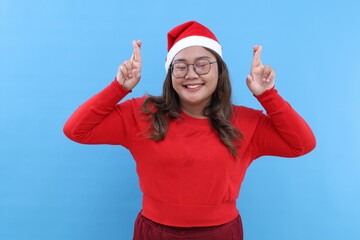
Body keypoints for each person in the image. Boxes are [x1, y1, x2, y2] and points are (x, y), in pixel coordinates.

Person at [63, 21, 316, 240]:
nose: (191, 74)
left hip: (220, 234)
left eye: (202, 64)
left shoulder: (247, 122)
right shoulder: (141, 113)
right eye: (180, 66)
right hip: (154, 232)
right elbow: (76, 130)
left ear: (220, 70)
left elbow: (302, 144)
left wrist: (267, 95)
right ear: (170, 74)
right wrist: (119, 87)